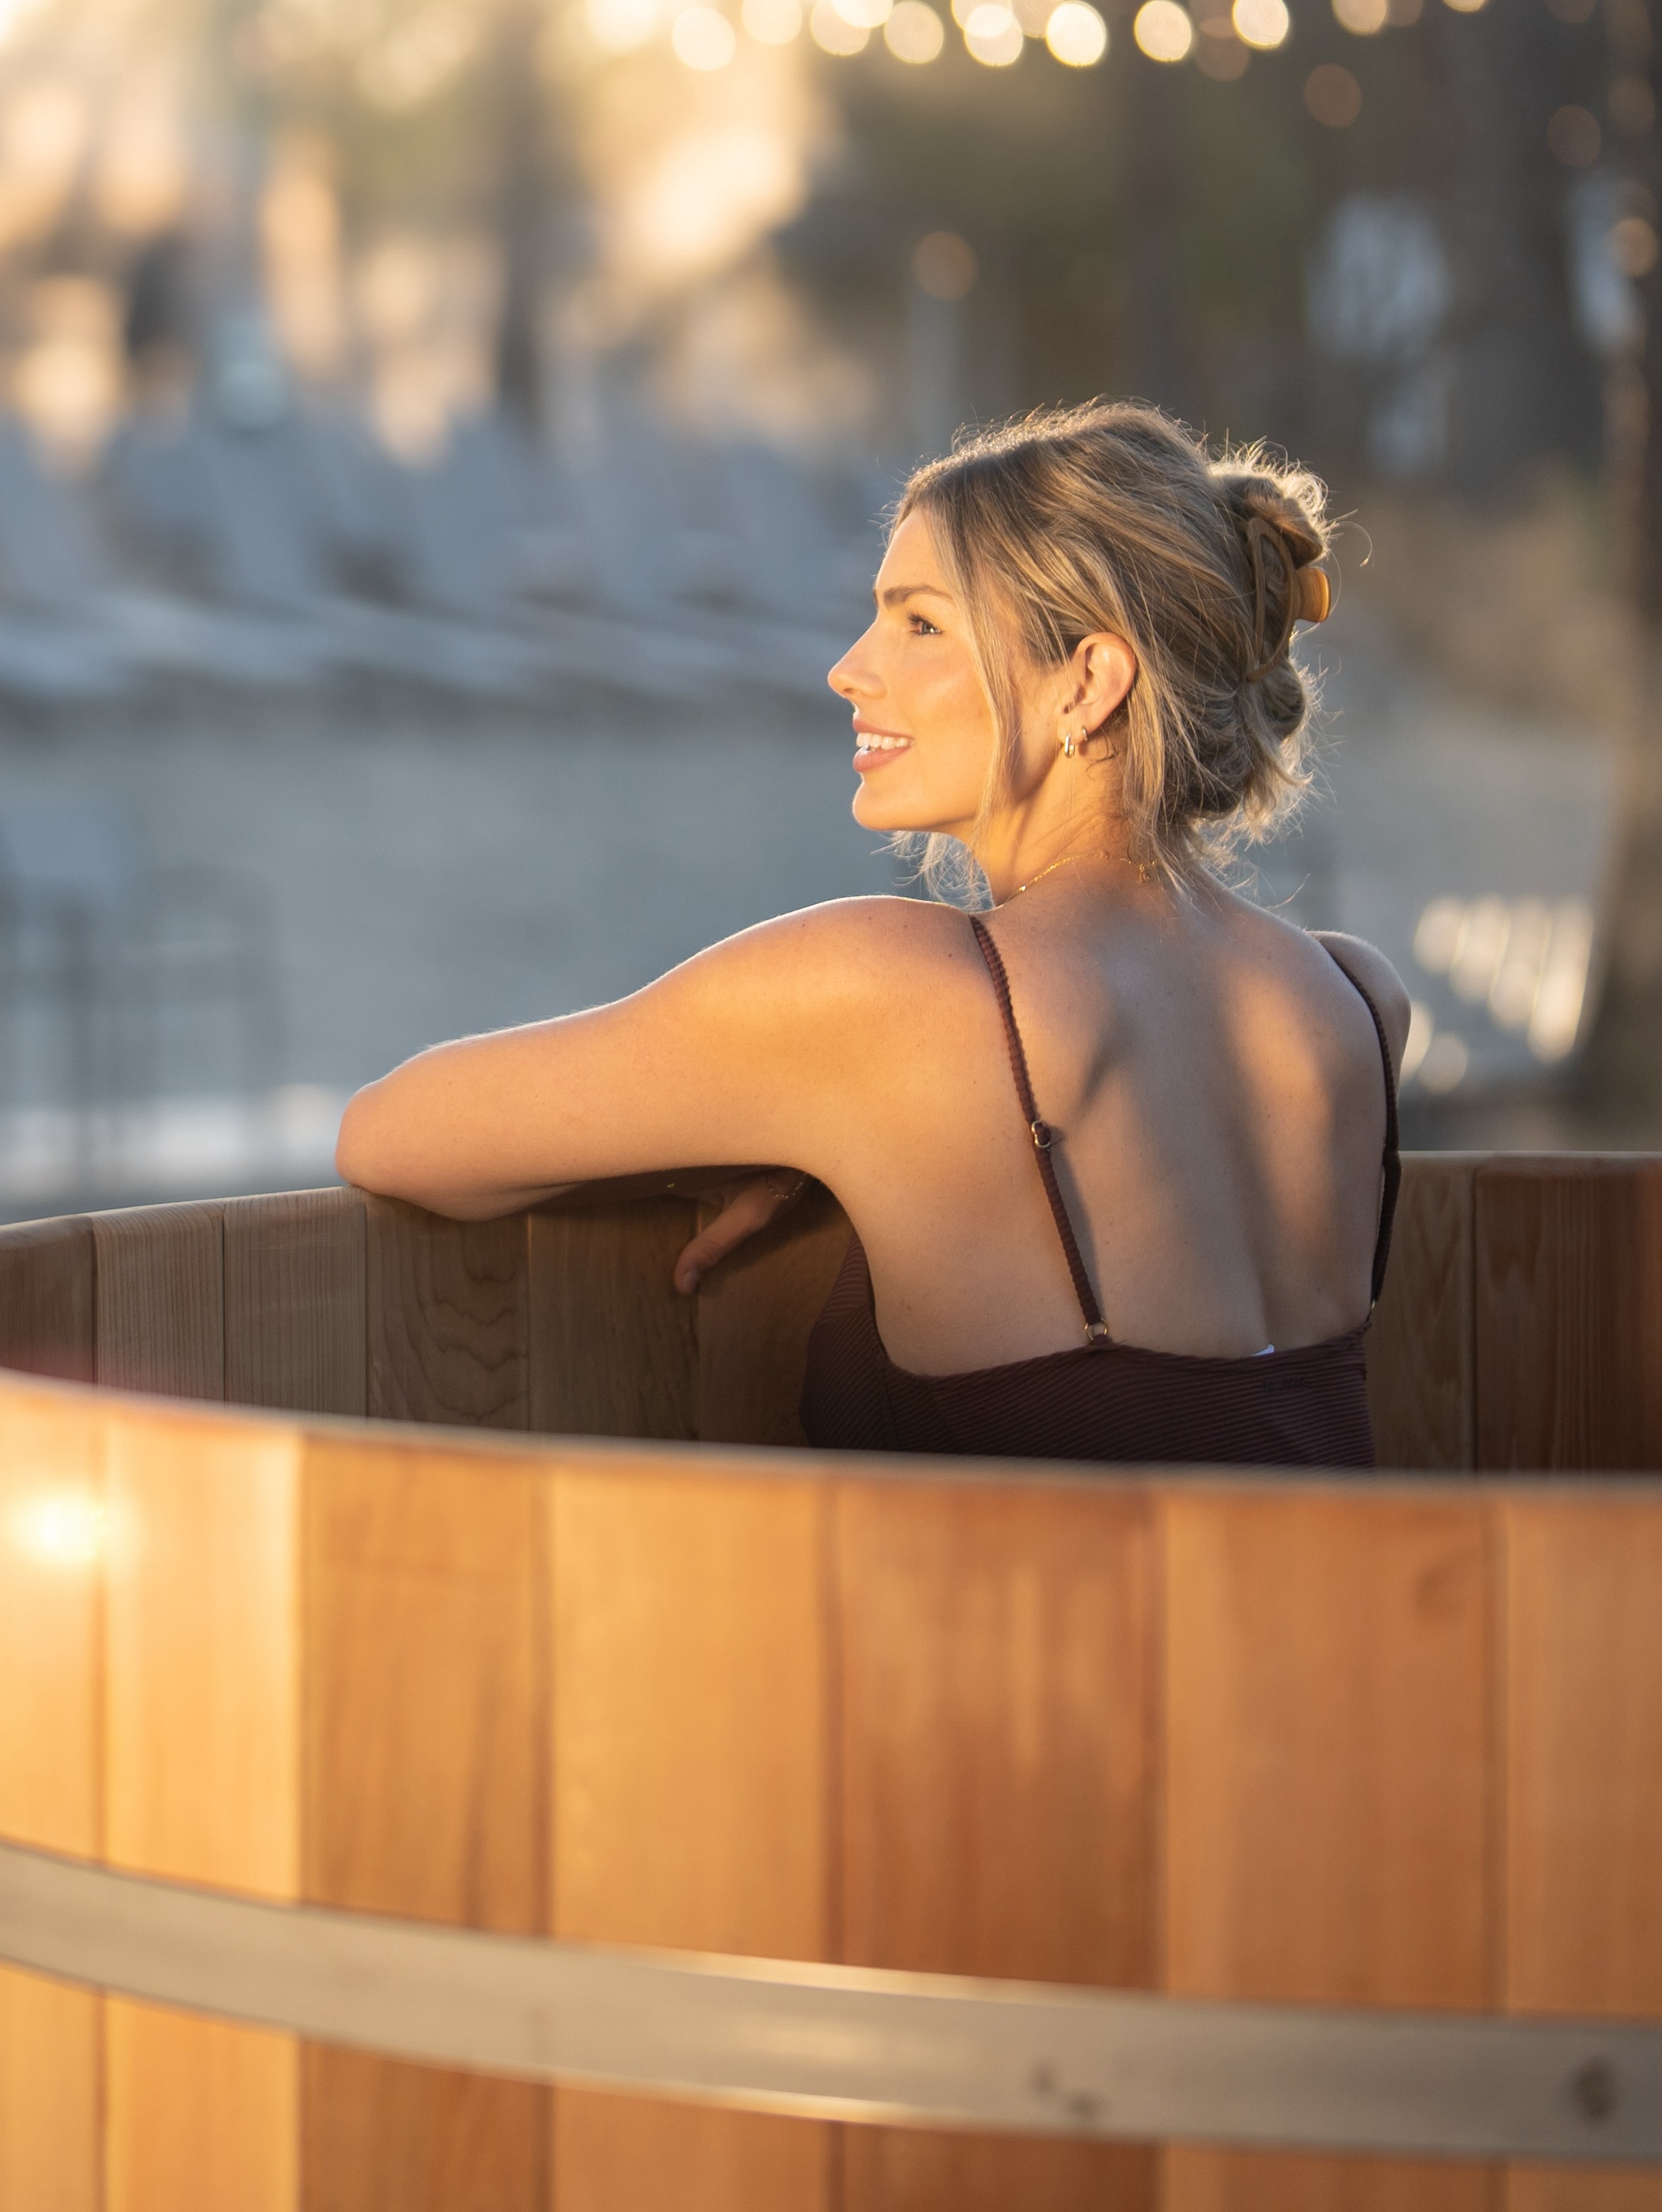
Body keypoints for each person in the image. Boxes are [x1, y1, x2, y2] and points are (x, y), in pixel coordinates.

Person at [329, 400, 1407, 1467]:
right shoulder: (1353, 1004)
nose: (849, 668)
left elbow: (389, 1134)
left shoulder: (907, 998)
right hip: (1365, 1590)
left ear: (1088, 681)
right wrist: (828, 1132)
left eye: (920, 623)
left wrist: (778, 1115)